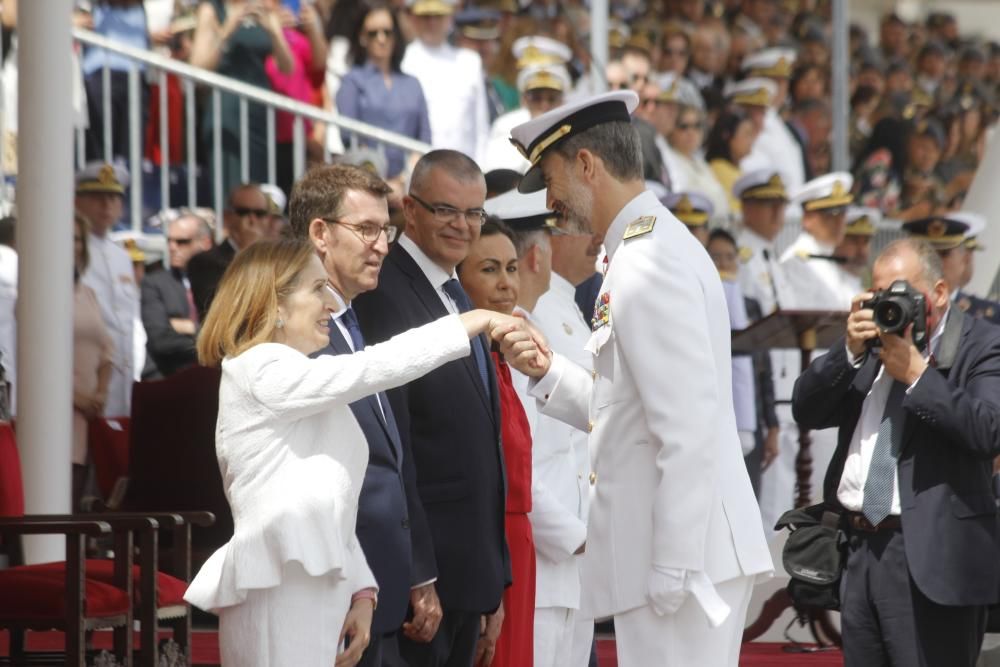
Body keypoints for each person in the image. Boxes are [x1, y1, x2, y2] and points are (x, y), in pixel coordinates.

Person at [504, 90, 772, 665]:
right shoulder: (646, 247)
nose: (550, 200)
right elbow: (629, 411)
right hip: (672, 551)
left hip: (677, 559)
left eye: (550, 178)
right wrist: (550, 372)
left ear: (585, 165)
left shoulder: (647, 260)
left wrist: (672, 565)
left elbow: (688, 427)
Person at [184, 237, 522, 666]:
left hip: (321, 590)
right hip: (279, 588)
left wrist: (362, 593)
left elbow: (335, 503)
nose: (330, 303)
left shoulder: (302, 380)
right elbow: (370, 368)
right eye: (315, 289)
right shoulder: (258, 368)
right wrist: (468, 321)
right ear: (275, 305)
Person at [791, 238, 1000, 666]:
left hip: (931, 557)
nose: (891, 306)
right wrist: (847, 351)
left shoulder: (981, 342)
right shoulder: (869, 346)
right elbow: (806, 409)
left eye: (902, 294)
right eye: (880, 295)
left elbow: (988, 430)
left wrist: (919, 377)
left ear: (939, 293)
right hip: (859, 547)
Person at [352, 150, 510, 666]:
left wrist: (493, 579)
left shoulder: (455, 290)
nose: (462, 226)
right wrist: (418, 572)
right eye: (446, 210)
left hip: (469, 573)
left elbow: (480, 445)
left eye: (474, 214)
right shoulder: (385, 292)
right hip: (426, 581)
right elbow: (393, 445)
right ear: (410, 209)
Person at [287, 163, 424, 667]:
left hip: (370, 597)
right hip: (328, 602)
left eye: (385, 230)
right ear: (320, 233)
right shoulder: (293, 334)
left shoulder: (348, 321)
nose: (383, 245)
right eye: (366, 229)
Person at [457, 219, 535, 667]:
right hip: (488, 543)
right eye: (489, 270)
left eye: (511, 268)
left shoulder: (503, 359)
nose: (506, 284)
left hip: (518, 544)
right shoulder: (468, 363)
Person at [190, 0, 294, 195]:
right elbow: (198, 68)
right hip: (227, 106)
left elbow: (287, 67)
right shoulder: (212, 9)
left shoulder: (263, 9)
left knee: (258, 181)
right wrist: (228, 28)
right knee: (230, 181)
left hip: (259, 109)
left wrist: (273, 30)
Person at [706, 228, 778, 496]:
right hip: (714, 422)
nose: (724, 264)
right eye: (715, 257)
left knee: (749, 497)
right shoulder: (699, 303)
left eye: (729, 257)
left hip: (751, 417)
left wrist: (772, 425)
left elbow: (764, 369)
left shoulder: (751, 306)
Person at [336, 0, 431, 183]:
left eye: (387, 32)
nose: (381, 39)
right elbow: (349, 137)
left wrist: (403, 180)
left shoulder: (412, 83)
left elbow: (424, 138)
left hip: (409, 184)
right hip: (366, 181)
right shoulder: (352, 81)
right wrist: (381, 182)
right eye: (373, 33)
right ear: (362, 37)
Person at [76, 163, 139, 418]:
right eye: (97, 198)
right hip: (86, 378)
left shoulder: (121, 255)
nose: (107, 205)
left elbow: (129, 321)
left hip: (121, 380)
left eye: (113, 197)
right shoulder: (71, 248)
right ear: (77, 201)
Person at [401, 0, 490, 163]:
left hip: (463, 167)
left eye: (438, 16)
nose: (432, 22)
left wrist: (481, 169)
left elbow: (481, 127)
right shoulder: (404, 61)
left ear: (451, 16)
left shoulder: (470, 62)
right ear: (414, 18)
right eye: (425, 16)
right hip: (419, 166)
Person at [72, 212, 114, 510]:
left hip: (91, 415)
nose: (71, 245)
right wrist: (78, 398)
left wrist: (99, 394)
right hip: (58, 412)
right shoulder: (34, 293)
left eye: (76, 238)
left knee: (83, 504)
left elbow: (106, 351)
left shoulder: (87, 293)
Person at [141, 210, 213, 376]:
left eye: (182, 242)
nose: (172, 248)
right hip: (166, 377)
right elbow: (160, 341)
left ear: (205, 243)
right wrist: (209, 342)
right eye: (170, 241)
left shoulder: (221, 281)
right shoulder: (154, 283)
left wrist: (191, 327)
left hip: (210, 379)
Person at [188, 183, 269, 318]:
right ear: (227, 217)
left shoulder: (277, 261)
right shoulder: (205, 262)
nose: (252, 220)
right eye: (243, 212)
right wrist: (249, 252)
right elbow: (217, 310)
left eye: (259, 214)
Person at [780, 171, 856, 310]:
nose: (839, 222)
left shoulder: (827, 258)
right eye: (831, 215)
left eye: (843, 214)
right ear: (807, 219)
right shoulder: (797, 262)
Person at [483, 63, 572, 174]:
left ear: (562, 102)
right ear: (524, 100)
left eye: (552, 99)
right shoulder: (506, 127)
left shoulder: (571, 129)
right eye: (536, 98)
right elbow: (498, 174)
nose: (544, 106)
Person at [665, 104, 730, 226]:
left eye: (697, 126)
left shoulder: (701, 162)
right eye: (684, 126)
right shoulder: (668, 160)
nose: (691, 132)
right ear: (671, 129)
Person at [705, 108, 756, 215]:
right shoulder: (719, 169)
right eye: (746, 134)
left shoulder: (736, 168)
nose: (751, 140)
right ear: (726, 135)